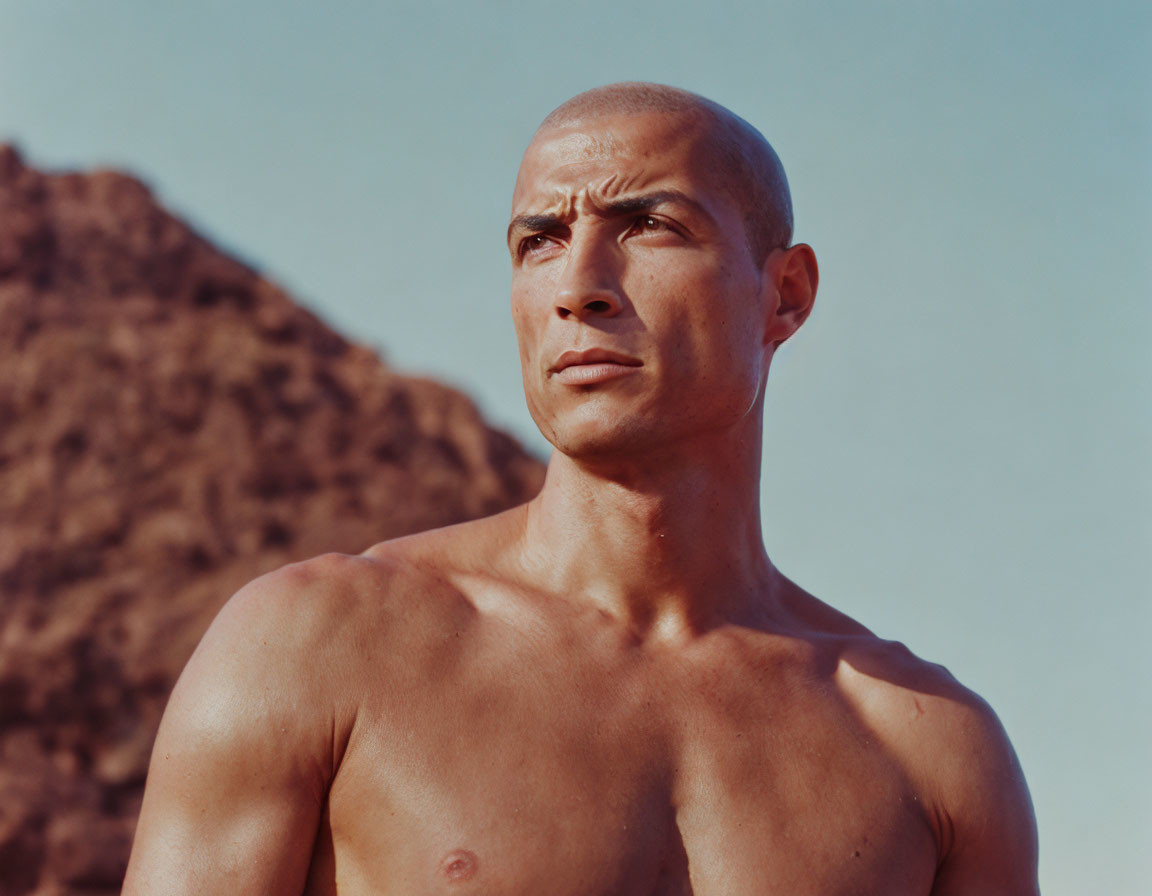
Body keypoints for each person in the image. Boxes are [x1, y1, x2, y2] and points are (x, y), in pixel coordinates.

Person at [123, 82, 1039, 895]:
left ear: (786, 294)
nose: (579, 285)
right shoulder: (317, 645)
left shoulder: (929, 748)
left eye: (650, 226)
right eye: (541, 239)